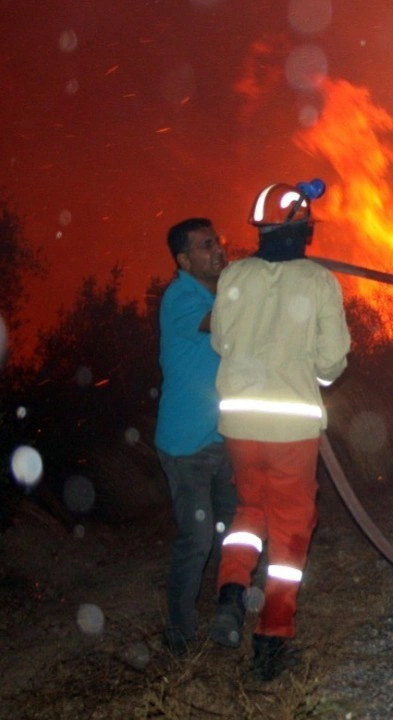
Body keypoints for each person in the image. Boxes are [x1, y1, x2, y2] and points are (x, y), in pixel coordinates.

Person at [208, 181, 350, 682]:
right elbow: (332, 364)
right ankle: (272, 636)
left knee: (248, 510)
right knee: (290, 532)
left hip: (239, 423)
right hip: (291, 427)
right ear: (300, 228)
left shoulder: (232, 276)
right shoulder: (318, 282)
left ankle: (229, 591)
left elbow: (222, 344)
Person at [156, 217, 237, 654]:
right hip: (186, 447)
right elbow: (226, 321)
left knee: (234, 530)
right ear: (184, 260)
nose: (219, 251)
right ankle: (180, 635)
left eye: (219, 242)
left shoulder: (216, 291)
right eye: (207, 246)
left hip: (222, 438)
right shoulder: (181, 298)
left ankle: (230, 611)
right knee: (197, 538)